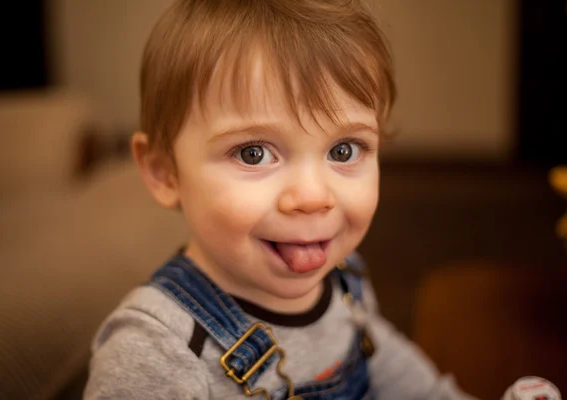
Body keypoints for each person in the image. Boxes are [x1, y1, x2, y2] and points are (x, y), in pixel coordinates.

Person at [84, 1, 477, 399]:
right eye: (253, 153)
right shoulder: (155, 351)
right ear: (164, 172)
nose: (312, 197)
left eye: (343, 150)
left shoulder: (344, 277)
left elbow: (387, 362)